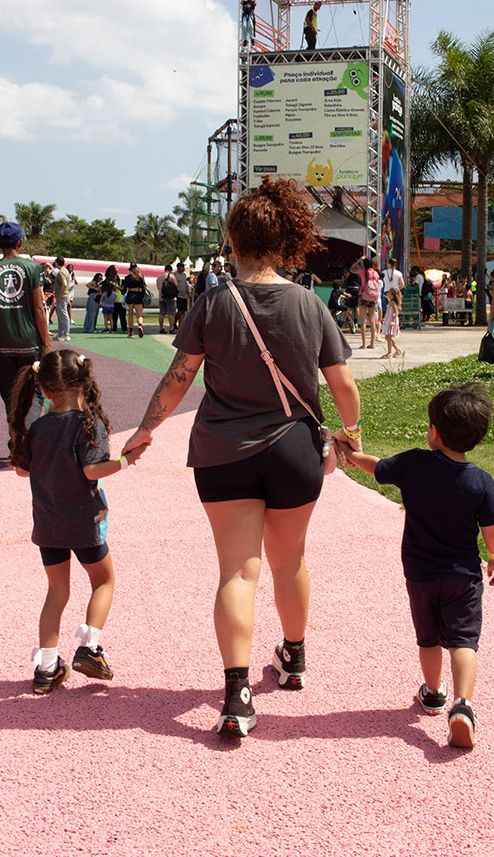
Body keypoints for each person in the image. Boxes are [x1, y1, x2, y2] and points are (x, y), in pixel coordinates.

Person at [121, 177, 361, 737]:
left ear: (233, 240)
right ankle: (294, 658)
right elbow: (344, 386)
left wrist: (146, 430)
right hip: (295, 450)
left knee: (236, 570)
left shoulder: (213, 302)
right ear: (284, 240)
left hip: (223, 453)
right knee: (289, 561)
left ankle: (237, 695)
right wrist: (349, 434)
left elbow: (179, 378)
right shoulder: (309, 303)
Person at [341, 383, 494, 748]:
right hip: (463, 576)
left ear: (435, 432)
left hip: (420, 575)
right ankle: (462, 705)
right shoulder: (480, 481)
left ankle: (433, 693)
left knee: (428, 638)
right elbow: (492, 530)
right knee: (463, 640)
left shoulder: (415, 464)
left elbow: (377, 467)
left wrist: (352, 456)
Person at [9, 349, 146, 694]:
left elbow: (23, 470)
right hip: (84, 521)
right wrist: (126, 461)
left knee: (57, 592)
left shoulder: (39, 428)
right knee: (103, 580)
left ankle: (47, 668)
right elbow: (92, 470)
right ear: (83, 381)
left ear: (45, 389)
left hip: (48, 523)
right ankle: (90, 647)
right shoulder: (87, 423)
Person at [0, 221, 51, 428]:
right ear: (20, 242)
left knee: (9, 392)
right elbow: (38, 308)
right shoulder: (33, 268)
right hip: (30, 341)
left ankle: (15, 433)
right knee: (33, 392)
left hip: (5, 341)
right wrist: (47, 343)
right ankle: (28, 435)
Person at [350, 256, 380, 349]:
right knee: (372, 320)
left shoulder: (362, 272)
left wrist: (359, 260)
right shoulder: (375, 273)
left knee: (363, 321)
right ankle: (372, 343)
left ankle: (363, 344)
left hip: (363, 295)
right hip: (373, 297)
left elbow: (351, 269)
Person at [123, 263, 147, 338]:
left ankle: (131, 332)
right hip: (138, 295)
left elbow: (124, 290)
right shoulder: (140, 277)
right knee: (139, 315)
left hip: (130, 295)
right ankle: (140, 325)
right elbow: (144, 287)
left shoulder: (127, 278)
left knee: (130, 314)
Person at [380, 287, 403, 359]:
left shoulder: (392, 303)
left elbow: (396, 313)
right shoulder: (390, 302)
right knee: (387, 337)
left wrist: (393, 321)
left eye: (389, 293)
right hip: (389, 320)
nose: (387, 293)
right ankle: (397, 349)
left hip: (391, 321)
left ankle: (389, 352)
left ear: (392, 295)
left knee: (388, 337)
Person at [53, 257, 71, 342]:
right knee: (61, 315)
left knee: (63, 315)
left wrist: (59, 296)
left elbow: (64, 284)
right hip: (63, 296)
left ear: (57, 263)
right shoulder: (65, 270)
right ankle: (60, 333)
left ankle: (65, 334)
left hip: (62, 297)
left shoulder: (61, 272)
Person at [158, 264, 178, 333]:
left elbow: (158, 287)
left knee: (161, 313)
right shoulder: (171, 276)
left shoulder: (159, 277)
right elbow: (176, 285)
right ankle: (171, 328)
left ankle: (161, 328)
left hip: (162, 297)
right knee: (171, 313)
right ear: (171, 270)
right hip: (171, 298)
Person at [172, 262, 190, 330]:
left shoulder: (184, 275)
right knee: (180, 311)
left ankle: (181, 326)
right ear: (179, 267)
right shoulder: (174, 275)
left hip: (184, 295)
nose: (183, 268)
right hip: (178, 295)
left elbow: (186, 284)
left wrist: (188, 293)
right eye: (182, 267)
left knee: (183, 311)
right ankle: (174, 321)